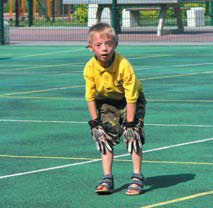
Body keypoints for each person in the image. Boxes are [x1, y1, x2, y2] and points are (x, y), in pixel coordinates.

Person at [83, 22, 146, 196]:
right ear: (90, 48)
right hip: (106, 102)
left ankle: (137, 176)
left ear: (115, 45)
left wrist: (130, 123)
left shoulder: (123, 64)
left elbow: (132, 95)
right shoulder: (89, 68)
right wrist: (95, 122)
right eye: (98, 45)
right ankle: (107, 177)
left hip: (130, 100)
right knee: (103, 136)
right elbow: (90, 96)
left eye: (108, 44)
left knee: (132, 136)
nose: (104, 49)